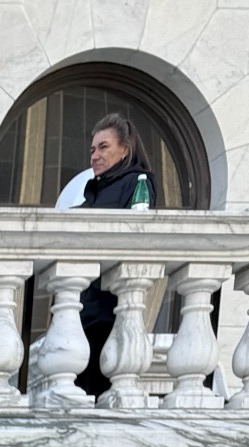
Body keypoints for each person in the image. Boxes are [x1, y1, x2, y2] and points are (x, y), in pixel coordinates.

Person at [76, 112, 153, 393]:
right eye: (93, 149)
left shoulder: (138, 184)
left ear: (125, 150)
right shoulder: (94, 191)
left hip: (109, 314)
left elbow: (134, 240)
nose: (95, 155)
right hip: (84, 309)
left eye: (104, 147)